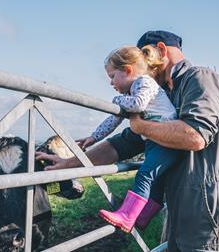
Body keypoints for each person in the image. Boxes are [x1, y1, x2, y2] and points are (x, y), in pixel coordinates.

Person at [36, 31, 219, 252]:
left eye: (145, 58)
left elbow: (195, 136)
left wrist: (141, 127)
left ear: (161, 50)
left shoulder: (200, 78)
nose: (142, 68)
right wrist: (66, 165)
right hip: (185, 214)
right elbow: (121, 144)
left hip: (208, 214)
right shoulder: (164, 96)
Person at [76, 45, 181, 232]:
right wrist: (94, 137)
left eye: (112, 76)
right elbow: (114, 118)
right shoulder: (132, 92)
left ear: (127, 70)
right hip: (156, 141)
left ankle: (126, 216)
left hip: (167, 142)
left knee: (144, 174)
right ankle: (143, 216)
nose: (111, 83)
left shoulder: (144, 82)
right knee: (154, 180)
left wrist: (116, 101)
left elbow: (138, 105)